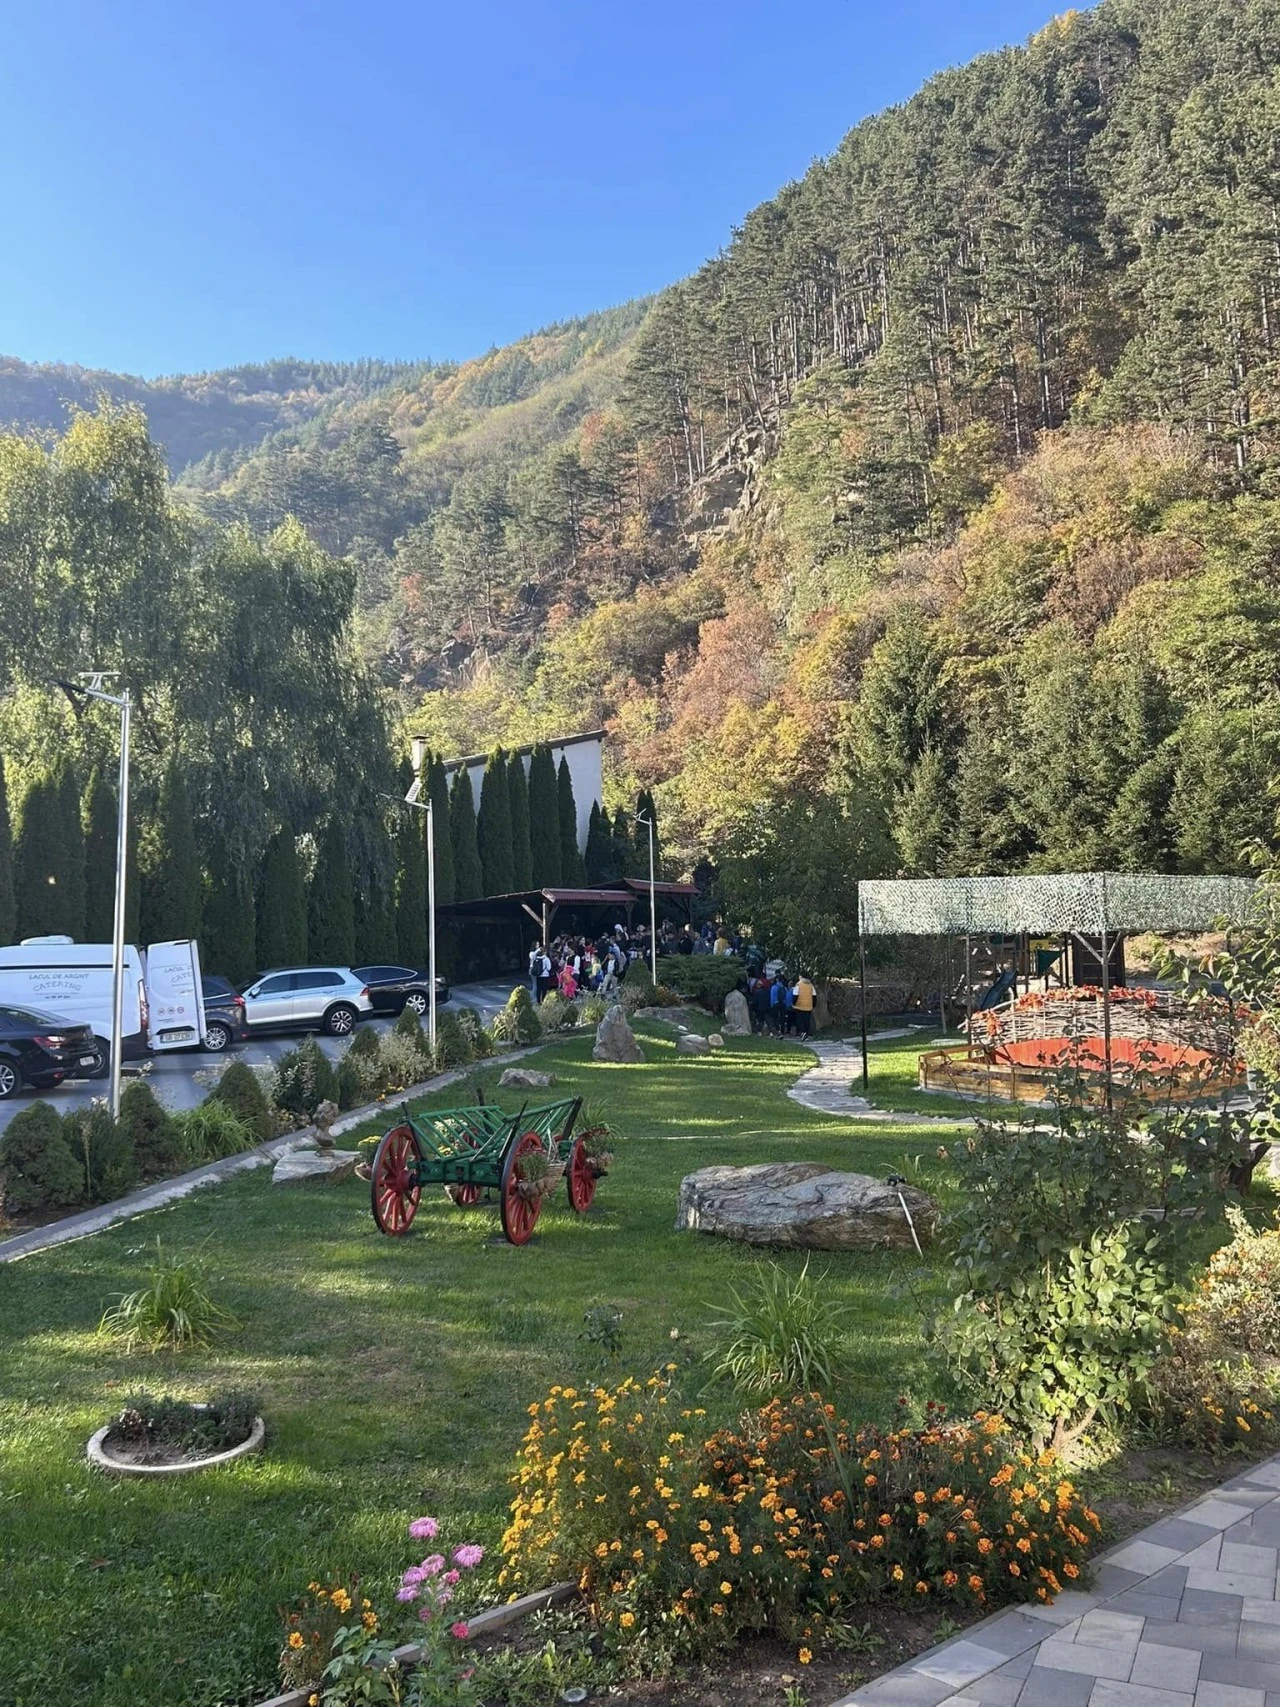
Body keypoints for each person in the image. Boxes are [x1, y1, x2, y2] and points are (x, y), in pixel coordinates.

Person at [792, 972, 817, 1037]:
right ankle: (806, 1032)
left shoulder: (798, 985)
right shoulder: (811, 985)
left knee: (800, 1020)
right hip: (808, 1006)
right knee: (807, 1020)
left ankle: (802, 1032)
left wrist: (793, 1003)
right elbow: (814, 996)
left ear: (801, 977)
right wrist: (813, 1005)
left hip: (799, 1006)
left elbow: (795, 995)